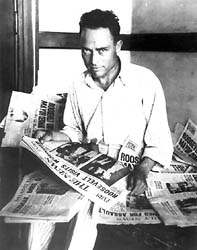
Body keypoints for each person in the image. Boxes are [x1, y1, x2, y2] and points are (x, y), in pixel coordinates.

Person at [28, 9, 173, 250]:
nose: (94, 60)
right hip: (88, 163)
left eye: (102, 50)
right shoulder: (78, 83)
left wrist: (143, 170)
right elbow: (74, 130)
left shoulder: (145, 82)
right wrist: (56, 136)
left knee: (82, 228)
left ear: (118, 46)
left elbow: (159, 141)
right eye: (87, 50)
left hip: (127, 170)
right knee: (37, 218)